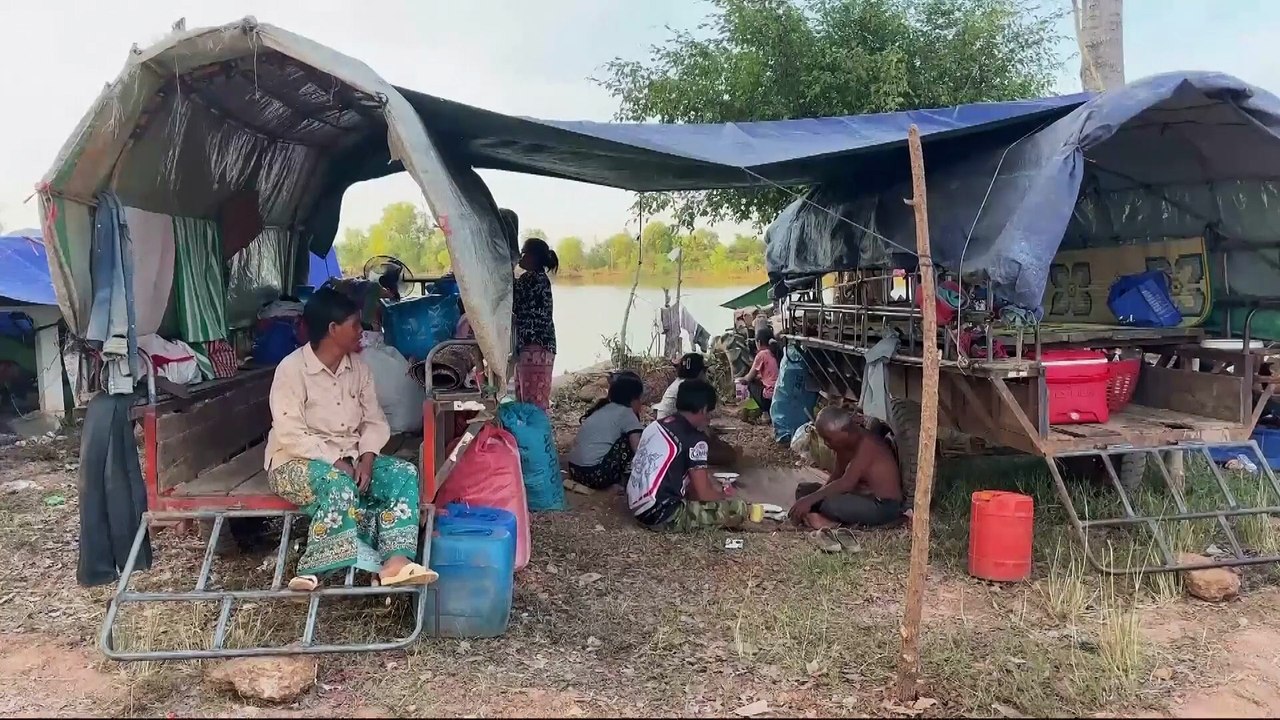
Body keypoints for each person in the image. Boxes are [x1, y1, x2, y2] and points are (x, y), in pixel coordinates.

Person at [264, 288, 436, 592]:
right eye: (355, 325)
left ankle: (395, 562)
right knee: (340, 485)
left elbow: (374, 421)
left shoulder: (359, 369)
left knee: (403, 474)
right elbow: (291, 433)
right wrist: (337, 462)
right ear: (333, 330)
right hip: (293, 462)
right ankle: (313, 569)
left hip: (350, 459)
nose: (362, 331)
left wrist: (367, 459)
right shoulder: (292, 371)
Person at [627, 379, 750, 531]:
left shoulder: (656, 425)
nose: (710, 417)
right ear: (704, 409)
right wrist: (725, 498)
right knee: (739, 508)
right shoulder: (695, 440)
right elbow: (703, 493)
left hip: (636, 507)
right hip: (662, 514)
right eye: (710, 411)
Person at [788, 406, 904, 529]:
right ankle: (820, 518)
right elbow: (837, 475)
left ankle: (827, 522)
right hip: (857, 496)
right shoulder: (843, 443)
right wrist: (815, 497)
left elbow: (846, 483)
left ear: (846, 431)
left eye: (829, 439)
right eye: (824, 439)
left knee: (829, 504)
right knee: (803, 490)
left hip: (882, 505)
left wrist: (812, 500)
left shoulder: (868, 446)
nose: (826, 444)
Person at [655, 353, 739, 467]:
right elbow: (700, 423)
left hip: (669, 434)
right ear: (700, 372)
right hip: (677, 442)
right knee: (728, 454)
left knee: (719, 445)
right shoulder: (692, 389)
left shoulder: (680, 383)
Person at [566, 373, 646, 489]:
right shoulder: (626, 413)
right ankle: (627, 480)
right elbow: (637, 448)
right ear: (634, 399)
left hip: (575, 471)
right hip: (594, 475)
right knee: (630, 440)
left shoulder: (602, 408)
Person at [513, 238, 559, 410]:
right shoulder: (540, 278)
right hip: (540, 347)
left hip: (534, 348)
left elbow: (511, 299)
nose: (520, 257)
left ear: (534, 257)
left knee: (532, 400)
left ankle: (537, 434)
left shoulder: (531, 279)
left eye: (523, 253)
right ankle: (536, 433)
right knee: (534, 397)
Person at [736, 326, 781, 414]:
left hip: (769, 399)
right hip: (781, 395)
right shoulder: (779, 352)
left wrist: (740, 380)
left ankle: (765, 413)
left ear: (759, 342)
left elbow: (748, 378)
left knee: (749, 383)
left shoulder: (762, 355)